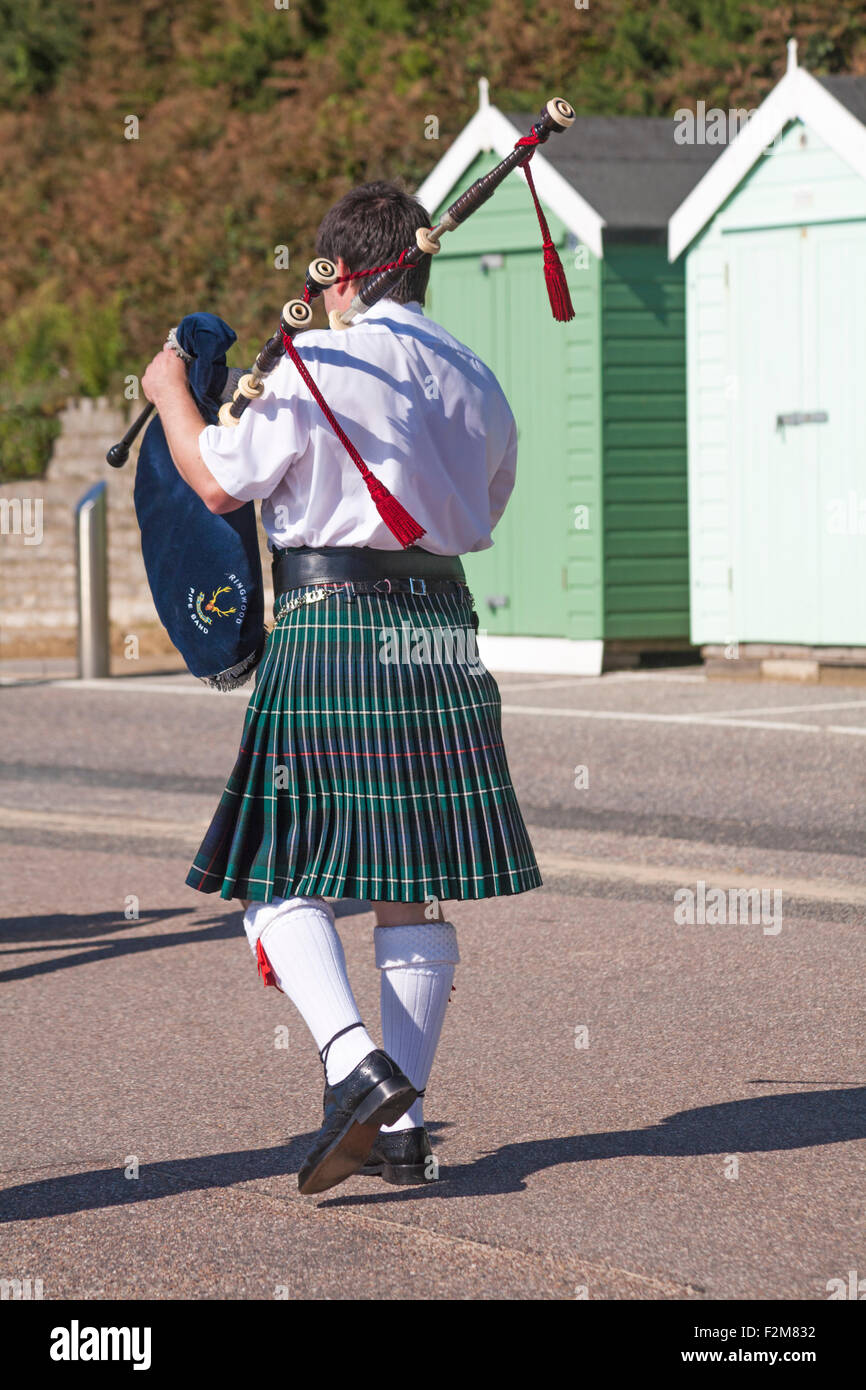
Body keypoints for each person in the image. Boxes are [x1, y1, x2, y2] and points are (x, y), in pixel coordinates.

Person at [141, 180, 542, 1196]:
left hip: (333, 626)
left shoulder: (316, 361)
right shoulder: (476, 377)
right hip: (443, 631)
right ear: (420, 264)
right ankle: (401, 1121)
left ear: (338, 274)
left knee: (272, 873)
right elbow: (486, 505)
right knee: (409, 878)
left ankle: (354, 1061)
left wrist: (168, 397)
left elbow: (218, 481)